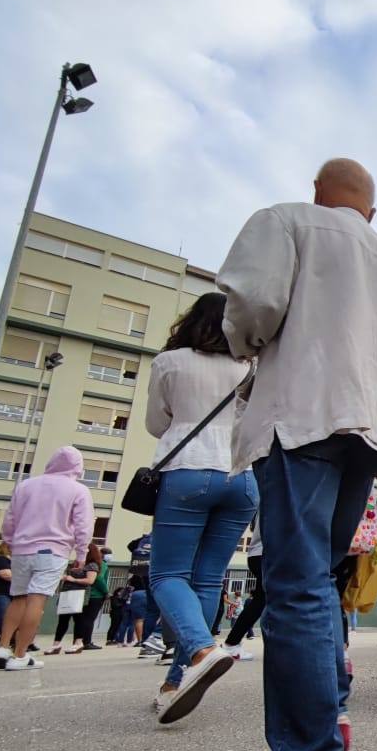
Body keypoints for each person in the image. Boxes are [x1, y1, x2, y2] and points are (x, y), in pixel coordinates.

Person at [217, 157, 377, 751]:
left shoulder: (286, 220)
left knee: (296, 585)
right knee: (319, 581)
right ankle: (323, 723)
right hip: (368, 433)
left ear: (319, 191)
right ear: (370, 211)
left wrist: (246, 344)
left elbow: (253, 305)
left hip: (302, 414)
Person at [144, 292, 257, 724]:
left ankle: (201, 649)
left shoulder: (170, 363)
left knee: (168, 575)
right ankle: (177, 681)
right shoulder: (249, 366)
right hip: (242, 478)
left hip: (189, 473)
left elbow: (157, 423)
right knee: (208, 579)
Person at [0, 447, 93, 671]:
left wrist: (10, 541)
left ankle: (2, 647)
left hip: (21, 549)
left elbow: (10, 518)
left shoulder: (26, 486)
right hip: (53, 550)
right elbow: (83, 526)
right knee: (37, 600)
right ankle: (20, 655)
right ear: (78, 467)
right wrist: (82, 554)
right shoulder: (78, 490)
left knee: (18, 598)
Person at [45, 545, 108, 654]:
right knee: (63, 620)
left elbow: (90, 580)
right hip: (67, 593)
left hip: (79, 594)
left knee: (79, 619)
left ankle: (78, 643)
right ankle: (56, 644)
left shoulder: (92, 565)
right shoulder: (77, 563)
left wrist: (73, 579)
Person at [223, 518, 263, 660]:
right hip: (271, 553)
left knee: (261, 601)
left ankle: (232, 643)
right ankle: (231, 643)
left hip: (258, 552)